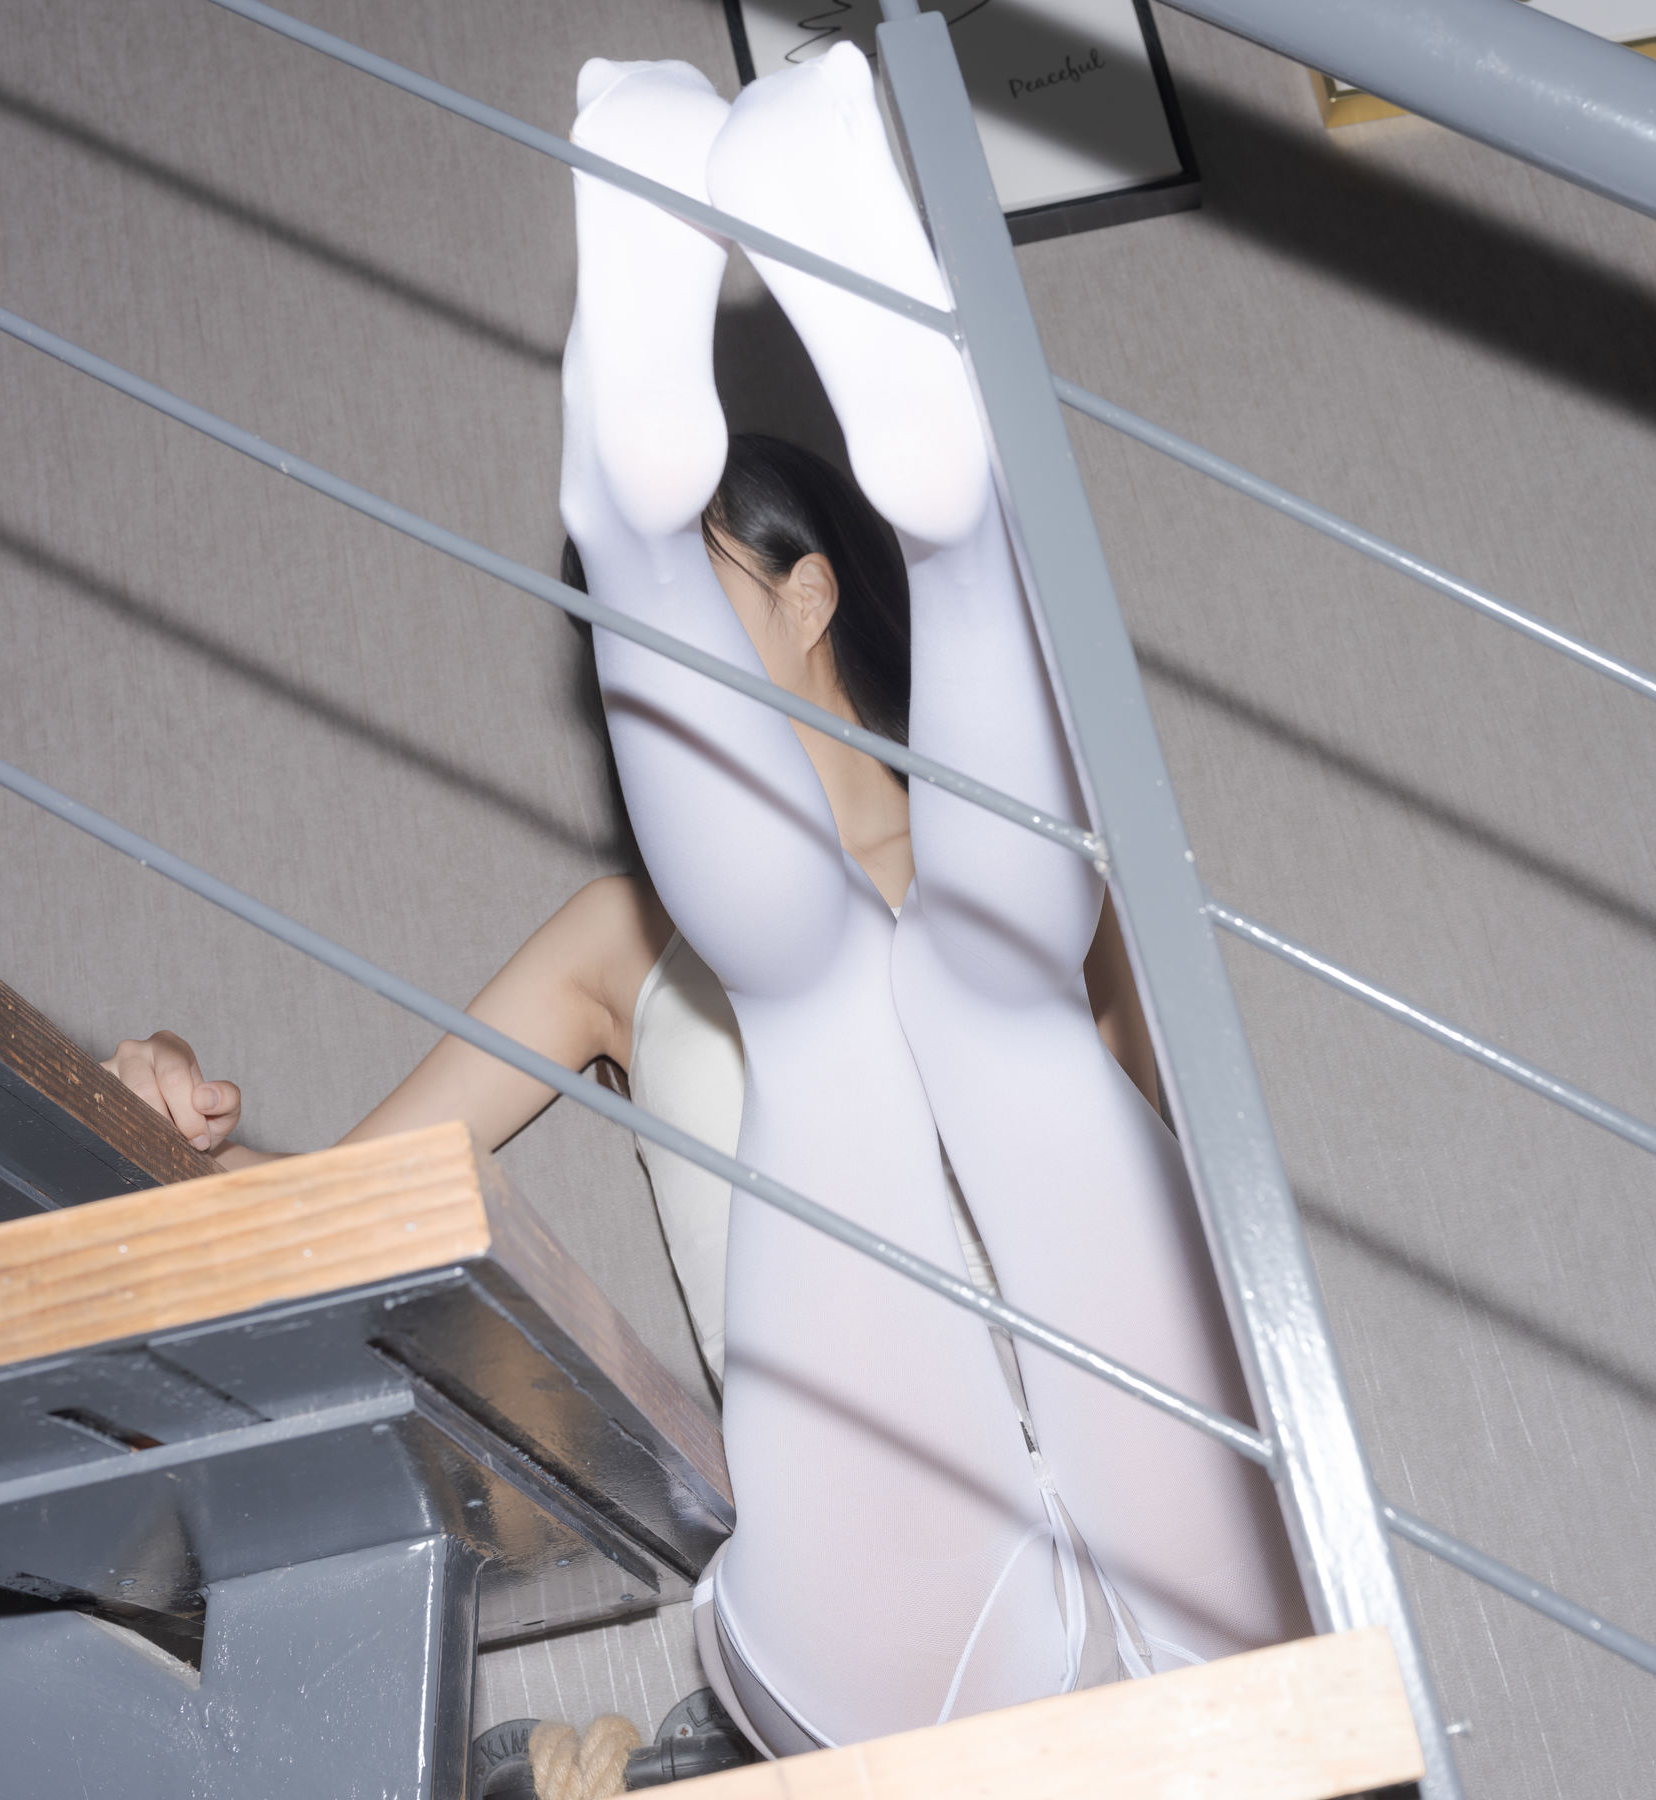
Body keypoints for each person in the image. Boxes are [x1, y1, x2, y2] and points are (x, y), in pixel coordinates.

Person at [108, 42, 1306, 1755]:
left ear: (811, 594)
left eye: (683, 588)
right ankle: (951, 526)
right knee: (882, 997)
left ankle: (706, 502)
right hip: (892, 1593)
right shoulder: (621, 945)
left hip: (1170, 1513)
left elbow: (1190, 1232)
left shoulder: (1052, 889)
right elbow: (348, 1218)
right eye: (632, 612)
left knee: (970, 997)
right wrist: (156, 1130)